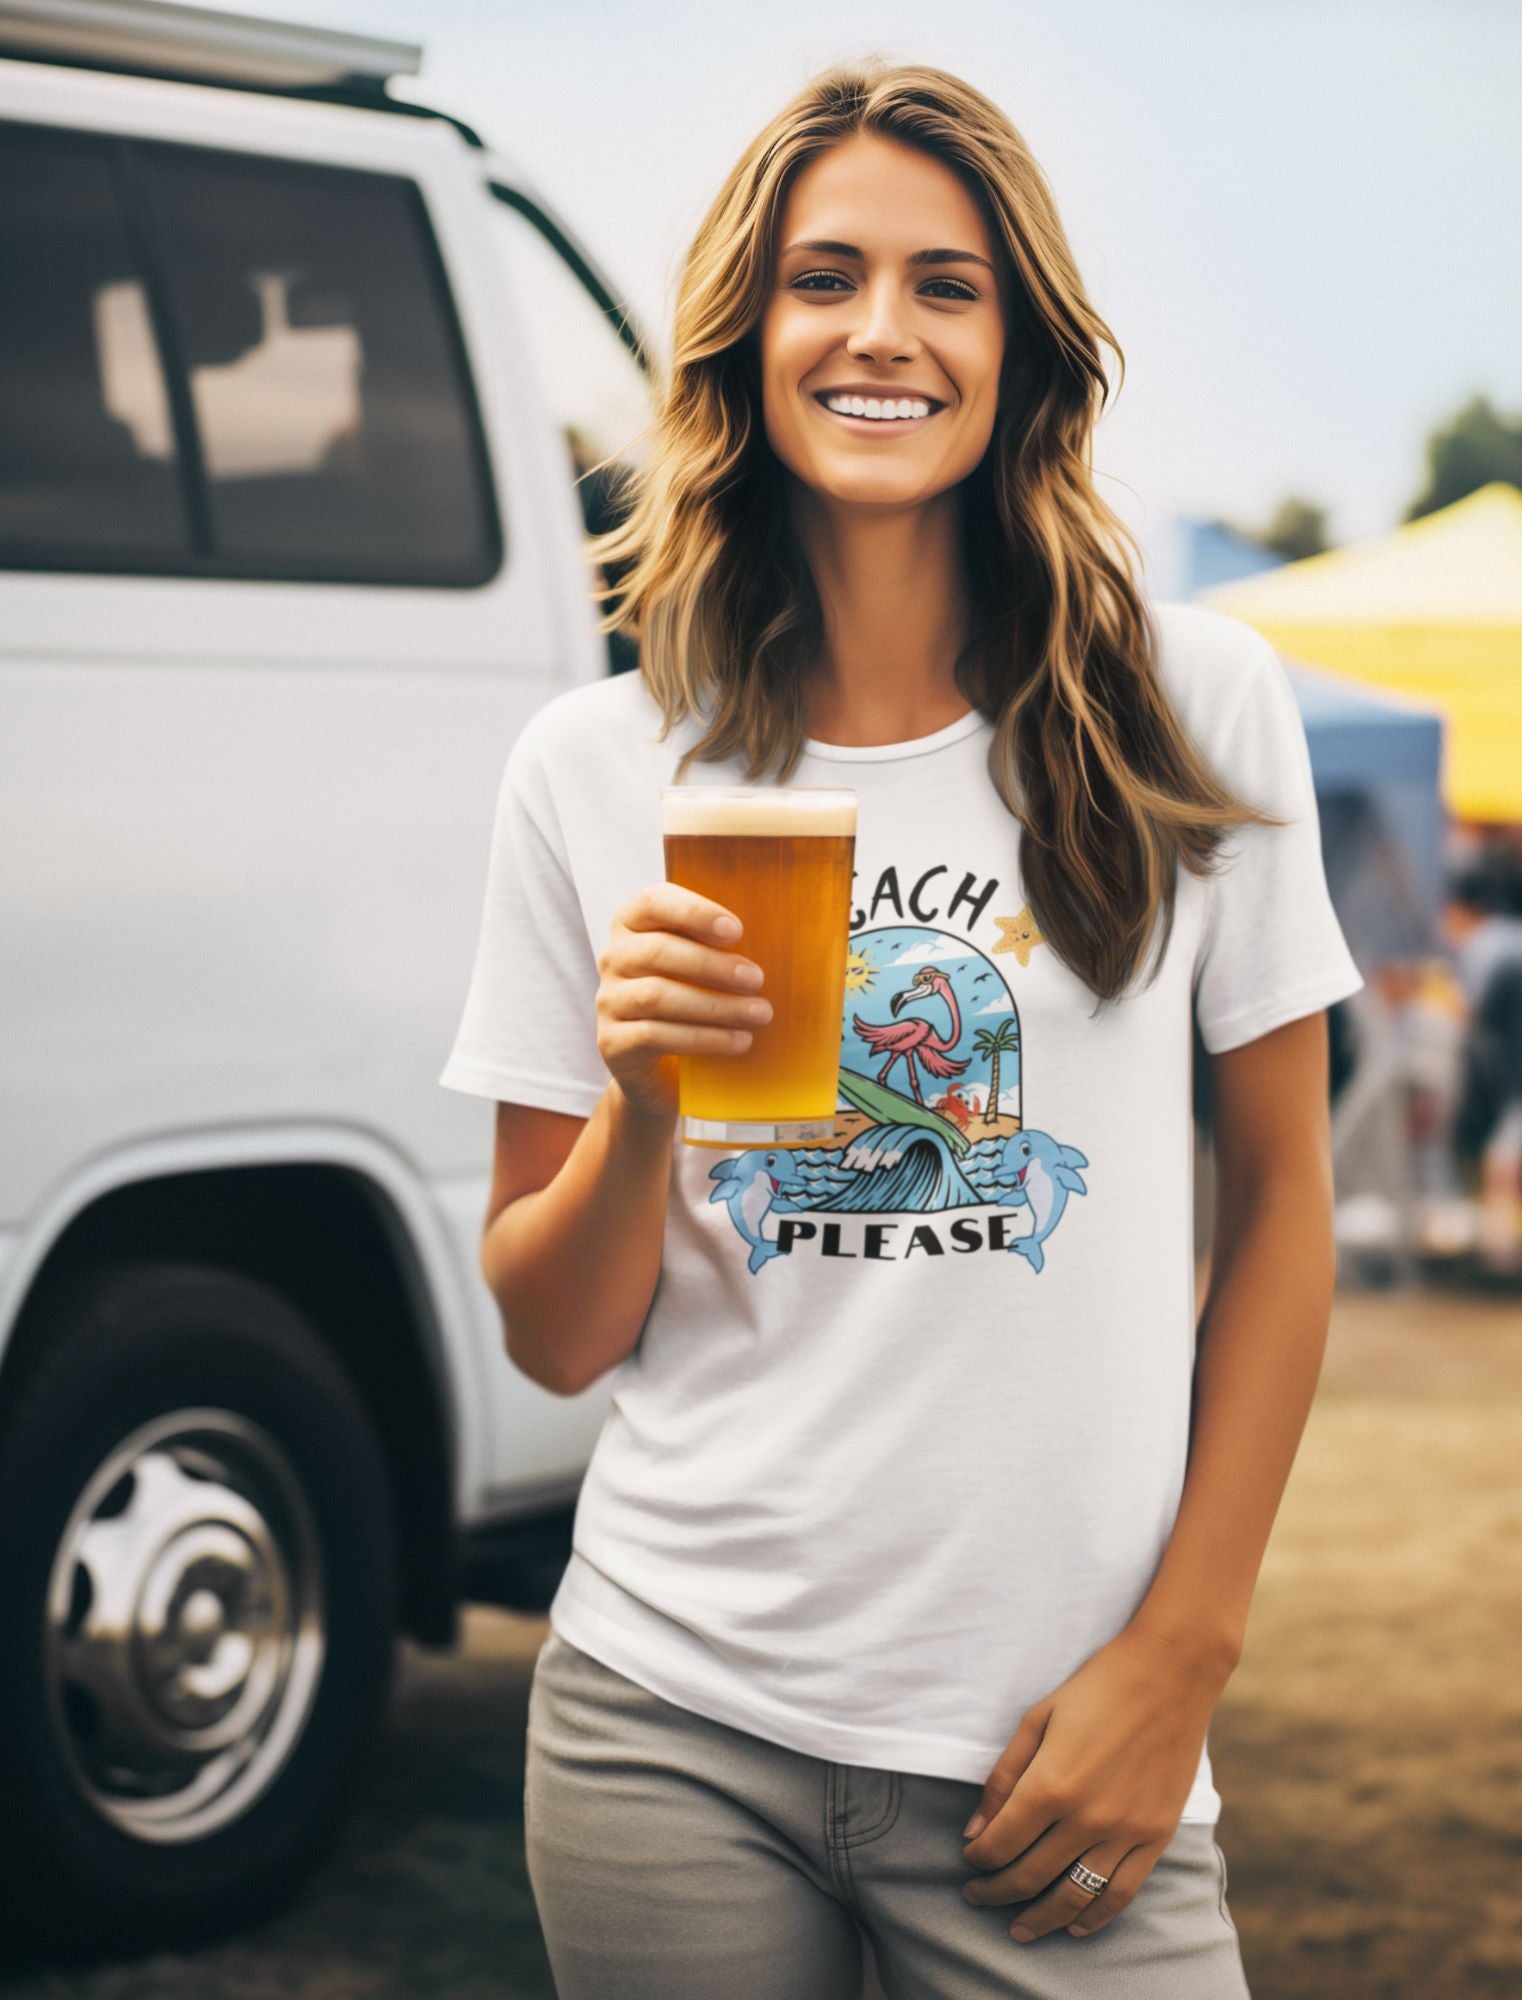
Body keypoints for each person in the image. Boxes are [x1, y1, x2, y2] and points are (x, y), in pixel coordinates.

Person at [439, 60, 1364, 2000]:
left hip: (1053, 1748)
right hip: (664, 1719)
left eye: (944, 284)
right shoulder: (597, 761)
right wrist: (639, 1095)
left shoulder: (1191, 704)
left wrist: (1182, 1656)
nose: (880, 330)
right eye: (822, 277)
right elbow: (554, 1324)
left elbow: (1283, 1202)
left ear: (1017, 343)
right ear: (742, 339)